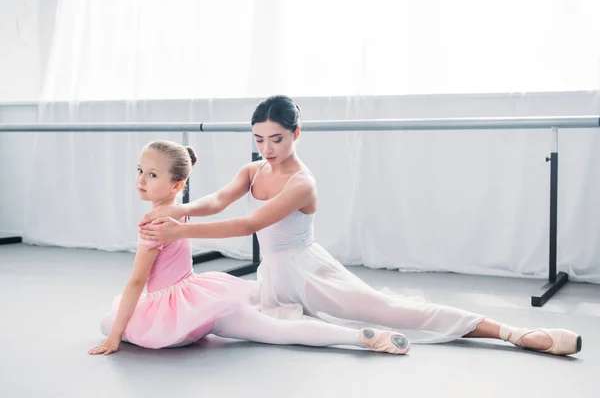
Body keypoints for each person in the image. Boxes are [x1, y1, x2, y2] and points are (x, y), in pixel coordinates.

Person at [138, 95, 582, 356]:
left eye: (276, 138)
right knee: (256, 325)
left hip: (309, 271)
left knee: (392, 310)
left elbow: (250, 223)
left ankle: (514, 333)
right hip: (274, 277)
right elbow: (217, 201)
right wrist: (179, 210)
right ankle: (369, 338)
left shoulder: (301, 182)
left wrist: (182, 230)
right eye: (259, 139)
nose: (267, 148)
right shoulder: (253, 171)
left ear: (297, 134)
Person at [89, 140, 411, 356]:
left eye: (152, 174)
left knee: (108, 319)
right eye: (140, 171)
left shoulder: (154, 224)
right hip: (203, 296)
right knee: (273, 330)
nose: (142, 179)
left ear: (177, 185)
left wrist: (114, 336)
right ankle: (356, 336)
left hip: (180, 313)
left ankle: (358, 337)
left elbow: (135, 283)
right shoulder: (180, 212)